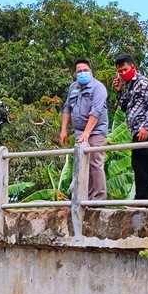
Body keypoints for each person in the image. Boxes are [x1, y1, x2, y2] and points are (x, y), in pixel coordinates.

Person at [113, 53, 148, 200]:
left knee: (144, 164)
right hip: (135, 130)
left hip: (145, 129)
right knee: (137, 163)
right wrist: (119, 91)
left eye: (125, 70)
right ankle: (141, 198)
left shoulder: (143, 82)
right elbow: (125, 107)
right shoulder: (130, 86)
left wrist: (146, 127)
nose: (122, 73)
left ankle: (145, 199)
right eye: (120, 71)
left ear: (132, 67)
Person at [59, 59, 109, 200]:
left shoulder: (98, 87)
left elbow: (96, 111)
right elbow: (67, 108)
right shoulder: (73, 87)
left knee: (95, 163)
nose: (82, 73)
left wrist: (87, 132)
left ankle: (99, 199)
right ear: (75, 73)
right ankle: (85, 198)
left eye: (85, 70)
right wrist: (64, 130)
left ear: (91, 71)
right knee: (82, 165)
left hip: (96, 131)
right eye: (79, 71)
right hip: (79, 132)